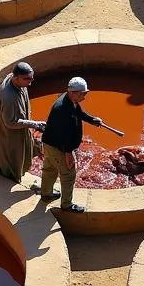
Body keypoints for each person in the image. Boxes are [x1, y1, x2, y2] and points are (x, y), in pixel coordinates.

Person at [33, 76, 103, 214]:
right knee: (68, 174)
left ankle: (46, 194)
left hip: (49, 143)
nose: (85, 97)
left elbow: (79, 112)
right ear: (73, 92)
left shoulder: (69, 99)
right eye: (83, 94)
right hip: (58, 147)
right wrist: (68, 153)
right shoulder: (62, 110)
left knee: (50, 169)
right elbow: (63, 135)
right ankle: (66, 204)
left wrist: (92, 120)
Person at [0, 61, 46, 183]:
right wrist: (34, 124)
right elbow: (10, 123)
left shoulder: (15, 81)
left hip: (18, 130)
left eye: (31, 78)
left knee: (23, 152)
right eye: (27, 79)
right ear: (16, 78)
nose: (30, 82)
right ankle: (9, 180)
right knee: (12, 161)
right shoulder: (8, 97)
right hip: (9, 136)